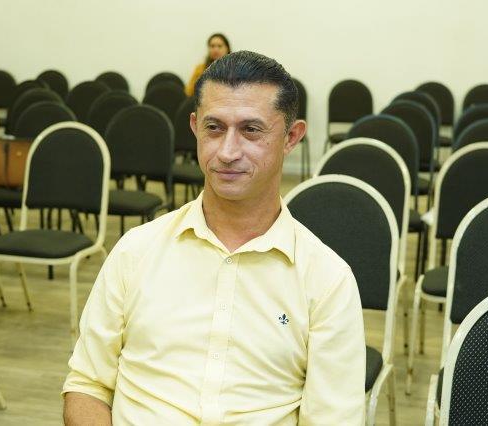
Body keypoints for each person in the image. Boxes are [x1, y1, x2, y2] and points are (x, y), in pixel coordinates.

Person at [63, 51, 366, 425]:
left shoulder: (327, 281)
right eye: (214, 128)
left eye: (251, 130)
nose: (227, 152)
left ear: (291, 137)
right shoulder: (135, 251)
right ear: (195, 127)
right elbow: (87, 386)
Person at [185, 33, 231, 97]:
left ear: (227, 48)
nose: (215, 50)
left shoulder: (234, 68)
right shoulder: (200, 68)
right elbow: (189, 91)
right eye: (212, 46)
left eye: (219, 46)